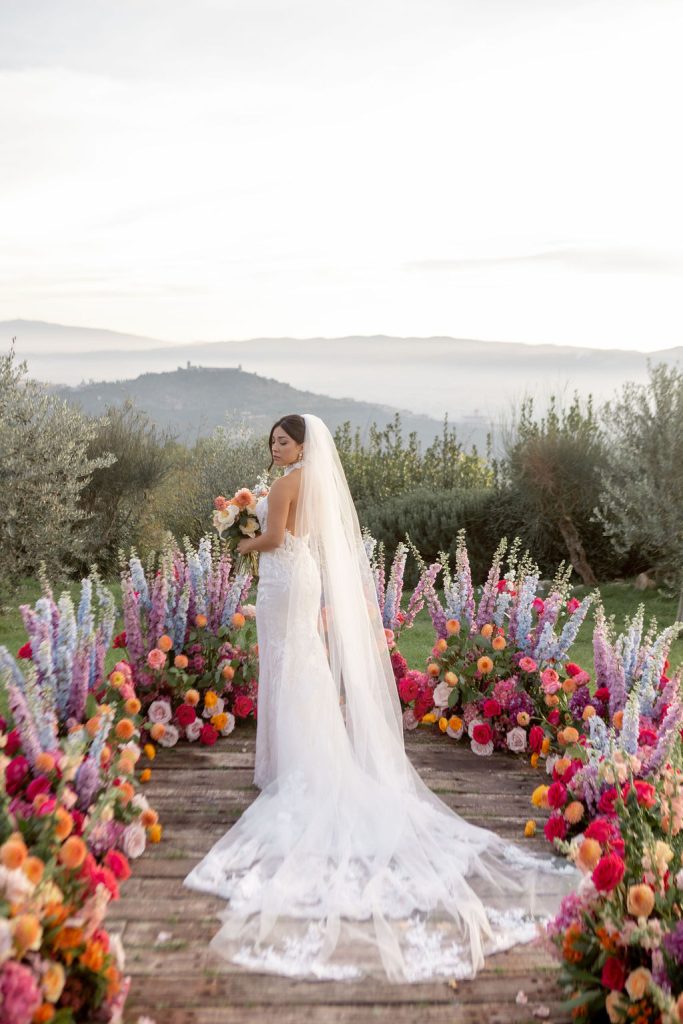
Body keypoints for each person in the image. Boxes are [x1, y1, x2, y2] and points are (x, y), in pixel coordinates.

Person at [182, 412, 576, 983]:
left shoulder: (290, 482)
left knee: (291, 666)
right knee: (300, 667)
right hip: (295, 579)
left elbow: (275, 539)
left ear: (302, 444)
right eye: (272, 440)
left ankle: (297, 766)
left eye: (283, 440)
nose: (276, 447)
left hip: (283, 580)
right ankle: (293, 757)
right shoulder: (304, 479)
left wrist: (238, 539)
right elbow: (301, 536)